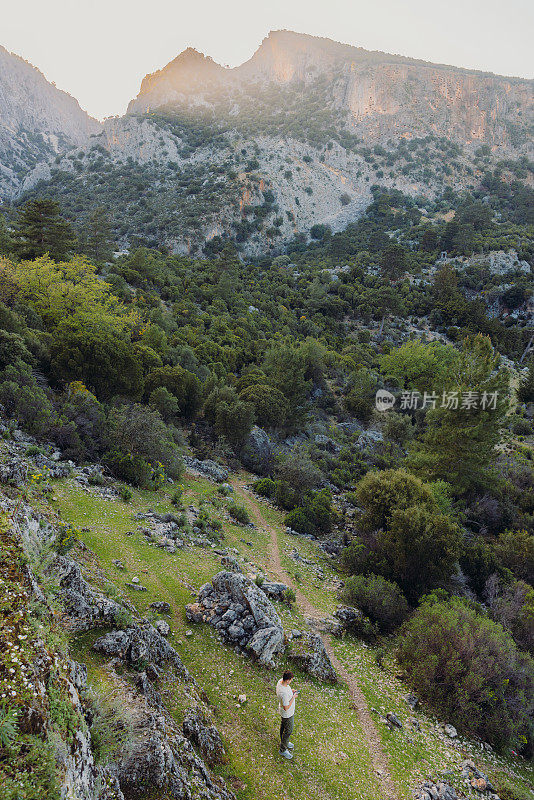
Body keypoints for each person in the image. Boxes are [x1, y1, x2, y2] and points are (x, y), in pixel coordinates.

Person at [276, 670, 298, 759]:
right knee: (288, 730)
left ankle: (284, 742)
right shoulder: (283, 693)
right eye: (291, 680)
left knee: (283, 726)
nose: (291, 681)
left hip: (284, 712)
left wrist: (291, 691)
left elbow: (286, 689)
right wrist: (293, 697)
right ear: (288, 680)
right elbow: (286, 707)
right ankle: (283, 749)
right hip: (287, 714)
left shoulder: (280, 682)